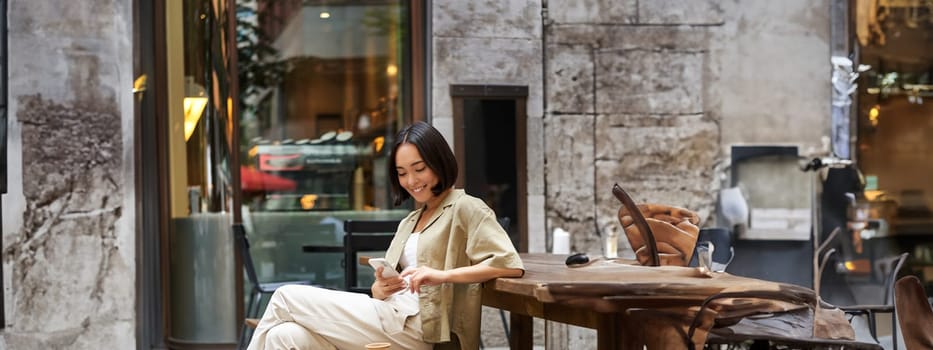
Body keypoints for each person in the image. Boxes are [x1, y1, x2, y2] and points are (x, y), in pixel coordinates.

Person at [247, 121, 524, 350]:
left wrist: (440, 275)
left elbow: (508, 264)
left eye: (419, 169)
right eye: (402, 173)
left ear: (439, 162)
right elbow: (385, 291)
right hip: (389, 317)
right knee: (283, 337)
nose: (412, 181)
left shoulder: (465, 207)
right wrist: (379, 289)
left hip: (419, 326)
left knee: (285, 296)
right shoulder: (410, 220)